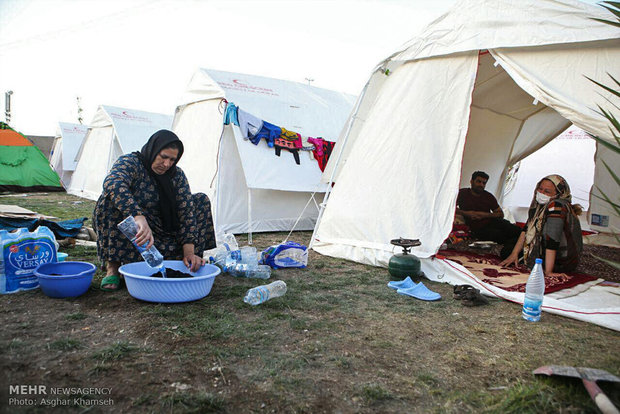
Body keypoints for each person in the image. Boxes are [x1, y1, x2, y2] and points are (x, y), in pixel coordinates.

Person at [93, 130, 216, 290]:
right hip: (137, 232)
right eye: (163, 157)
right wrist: (137, 216)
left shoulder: (176, 175)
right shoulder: (131, 163)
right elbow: (113, 182)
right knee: (108, 200)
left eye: (172, 159)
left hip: (163, 232)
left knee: (200, 200)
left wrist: (189, 252)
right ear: (153, 150)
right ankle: (113, 269)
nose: (167, 164)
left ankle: (188, 261)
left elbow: (186, 211)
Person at [499, 174, 583, 276]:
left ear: (559, 194)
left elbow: (553, 239)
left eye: (547, 191)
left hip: (561, 260)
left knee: (507, 249)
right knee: (508, 251)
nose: (541, 193)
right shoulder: (539, 207)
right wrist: (514, 254)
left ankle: (546, 266)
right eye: (540, 189)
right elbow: (526, 229)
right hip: (546, 251)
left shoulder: (557, 205)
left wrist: (548, 271)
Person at [456, 171, 522, 244]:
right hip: (477, 228)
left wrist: (483, 215)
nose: (481, 185)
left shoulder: (488, 196)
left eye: (484, 183)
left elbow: (500, 214)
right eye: (479, 181)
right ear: (471, 181)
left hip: (491, 221)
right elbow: (450, 209)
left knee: (514, 229)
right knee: (499, 235)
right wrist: (468, 213)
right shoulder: (462, 193)